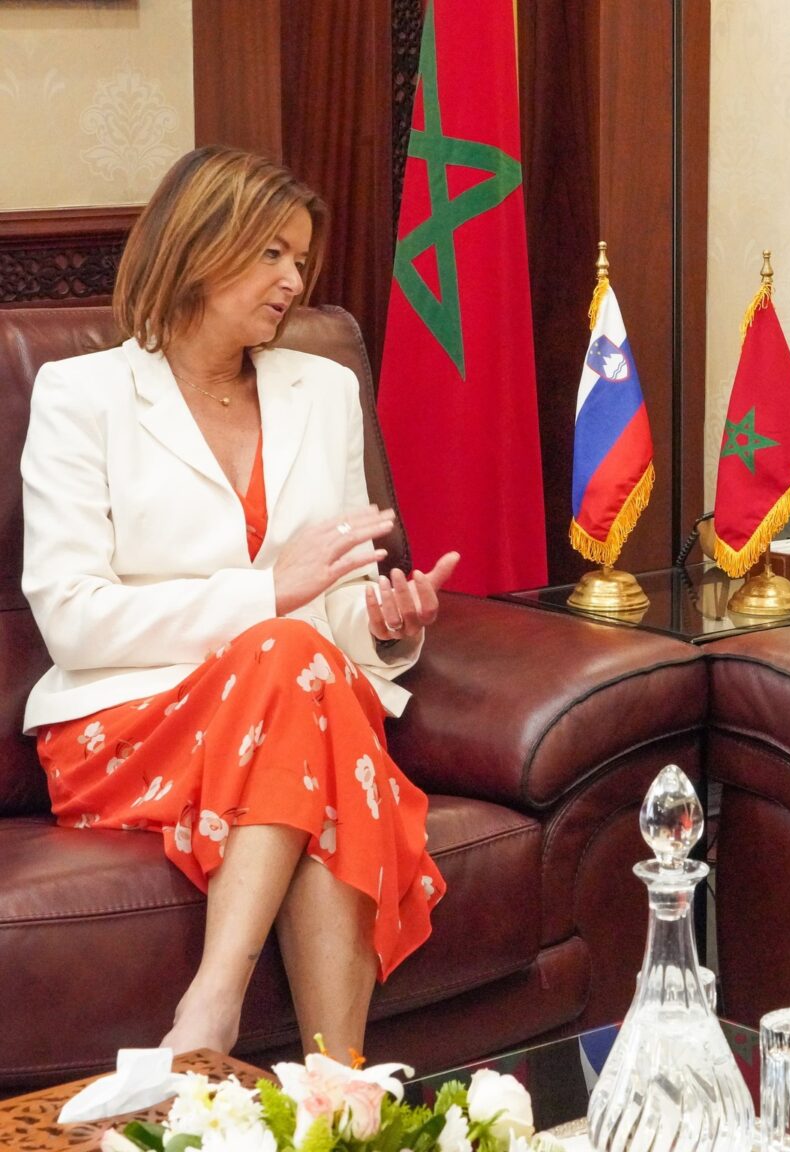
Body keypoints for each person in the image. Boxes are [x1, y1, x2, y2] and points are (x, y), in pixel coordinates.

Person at [20, 146, 460, 1059]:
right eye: (270, 253)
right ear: (196, 248)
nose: (294, 281)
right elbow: (73, 619)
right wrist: (267, 596)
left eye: (300, 259)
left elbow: (333, 602)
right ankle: (282, 1043)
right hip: (129, 725)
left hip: (290, 707)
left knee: (304, 682)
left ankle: (312, 1082)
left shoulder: (325, 391)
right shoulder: (81, 396)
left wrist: (382, 623)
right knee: (299, 673)